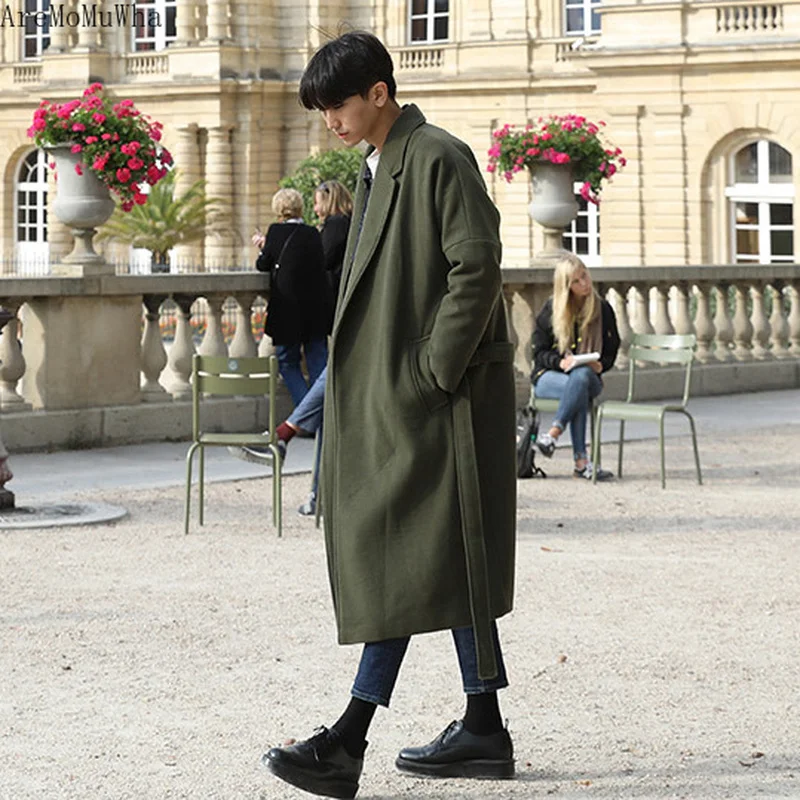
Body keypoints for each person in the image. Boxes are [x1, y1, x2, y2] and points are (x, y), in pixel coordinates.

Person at [261, 31, 517, 800]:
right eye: (322, 109)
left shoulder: (436, 154)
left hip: (431, 401)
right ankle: (481, 726)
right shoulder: (379, 166)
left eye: (337, 104)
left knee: (406, 551)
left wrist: (431, 373)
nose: (329, 120)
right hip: (394, 401)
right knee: (432, 556)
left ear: (379, 92)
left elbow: (477, 263)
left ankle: (349, 737)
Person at [531, 253, 620, 480]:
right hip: (550, 377)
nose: (585, 284)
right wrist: (560, 362)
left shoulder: (603, 309)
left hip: (591, 377)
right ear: (567, 286)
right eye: (578, 281)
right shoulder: (552, 309)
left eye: (585, 277)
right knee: (578, 388)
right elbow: (538, 352)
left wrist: (601, 366)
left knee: (580, 378)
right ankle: (581, 463)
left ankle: (552, 434)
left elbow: (612, 348)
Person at [255, 187, 333, 407]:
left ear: (278, 209)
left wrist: (263, 247)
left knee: (288, 362)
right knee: (318, 365)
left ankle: (307, 415)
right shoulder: (312, 233)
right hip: (315, 310)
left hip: (288, 311)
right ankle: (320, 417)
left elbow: (263, 264)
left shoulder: (275, 232)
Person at [314, 180, 353, 299]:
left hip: (334, 289)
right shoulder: (347, 220)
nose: (315, 209)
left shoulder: (336, 223)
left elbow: (325, 258)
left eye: (317, 203)